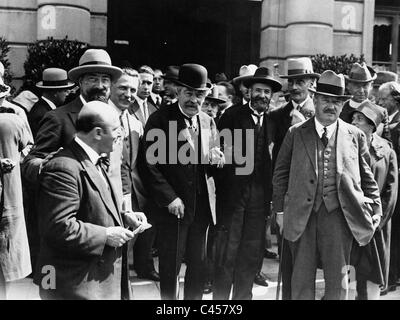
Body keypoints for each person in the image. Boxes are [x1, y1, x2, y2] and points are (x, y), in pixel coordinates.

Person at [273, 70, 382, 300]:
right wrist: (280, 212)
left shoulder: (354, 135)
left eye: (336, 102)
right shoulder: (296, 133)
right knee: (301, 282)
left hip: (339, 218)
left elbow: (368, 178)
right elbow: (280, 174)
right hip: (302, 217)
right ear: (315, 100)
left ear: (343, 105)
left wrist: (375, 211)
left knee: (339, 282)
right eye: (325, 100)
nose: (331, 106)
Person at [34, 101, 148, 300]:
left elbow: (91, 205)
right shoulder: (63, 168)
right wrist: (105, 234)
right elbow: (58, 227)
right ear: (97, 133)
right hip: (77, 284)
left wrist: (123, 216)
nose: (120, 134)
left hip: (96, 281)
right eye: (115, 129)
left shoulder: (93, 160)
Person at [142, 63, 224, 300]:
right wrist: (169, 197)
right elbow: (149, 165)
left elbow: (213, 158)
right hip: (174, 209)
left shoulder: (208, 122)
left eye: (199, 95)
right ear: (177, 91)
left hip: (202, 208)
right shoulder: (160, 120)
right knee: (170, 267)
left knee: (198, 265)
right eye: (188, 93)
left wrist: (217, 159)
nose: (194, 100)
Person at [214, 67, 281, 300]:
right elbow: (218, 154)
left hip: (260, 198)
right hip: (233, 196)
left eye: (266, 91)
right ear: (249, 92)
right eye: (258, 90)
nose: (262, 95)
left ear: (271, 96)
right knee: (227, 252)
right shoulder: (232, 116)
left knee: (251, 253)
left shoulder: (274, 121)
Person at [350, 101, 398, 299]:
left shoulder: (386, 151)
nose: (354, 122)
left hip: (376, 224)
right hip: (350, 222)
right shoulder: (343, 145)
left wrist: (378, 218)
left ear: (372, 125)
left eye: (359, 119)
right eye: (353, 118)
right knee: (349, 272)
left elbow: (391, 190)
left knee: (373, 275)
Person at [0, 108, 32, 299]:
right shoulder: (14, 119)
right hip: (9, 194)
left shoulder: (12, 118)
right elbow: (29, 147)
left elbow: (28, 147)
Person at [377, 81, 400, 293]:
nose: (380, 102)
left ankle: (391, 278)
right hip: (389, 182)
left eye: (384, 99)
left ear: (395, 99)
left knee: (394, 235)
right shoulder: (386, 121)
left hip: (395, 184)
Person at [340, 62, 390, 141]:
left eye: (365, 86)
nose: (361, 91)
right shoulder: (340, 109)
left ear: (371, 86)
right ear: (348, 86)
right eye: (357, 86)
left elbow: (386, 142)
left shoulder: (380, 112)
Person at [28, 68, 75, 138]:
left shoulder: (43, 108)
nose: (67, 94)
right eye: (65, 90)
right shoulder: (43, 114)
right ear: (55, 92)